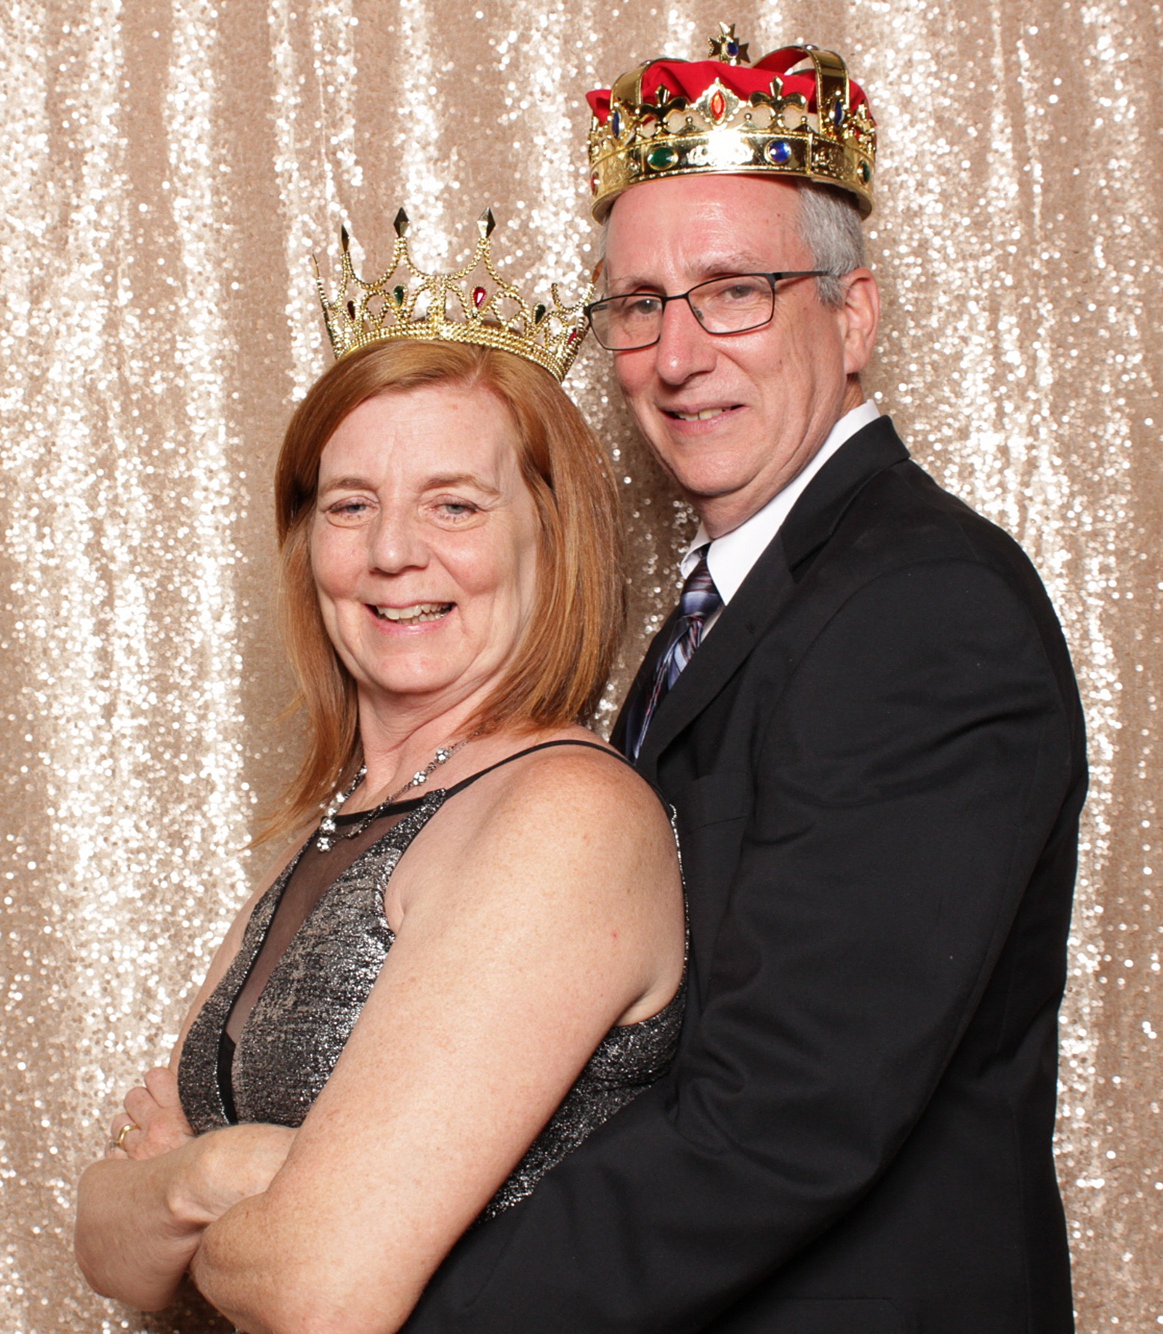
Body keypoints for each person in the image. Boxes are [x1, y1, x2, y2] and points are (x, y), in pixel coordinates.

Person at [402, 32, 1088, 1334]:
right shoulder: (734, 607)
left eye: (735, 290)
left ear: (854, 315)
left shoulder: (922, 611)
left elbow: (787, 1114)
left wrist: (409, 1296)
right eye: (639, 303)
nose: (675, 353)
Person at [73, 215, 686, 1333]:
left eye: (453, 502)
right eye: (349, 503)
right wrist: (228, 1172)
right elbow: (101, 1241)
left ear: (550, 536)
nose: (391, 550)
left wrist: (191, 1193)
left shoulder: (562, 814)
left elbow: (318, 1287)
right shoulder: (344, 817)